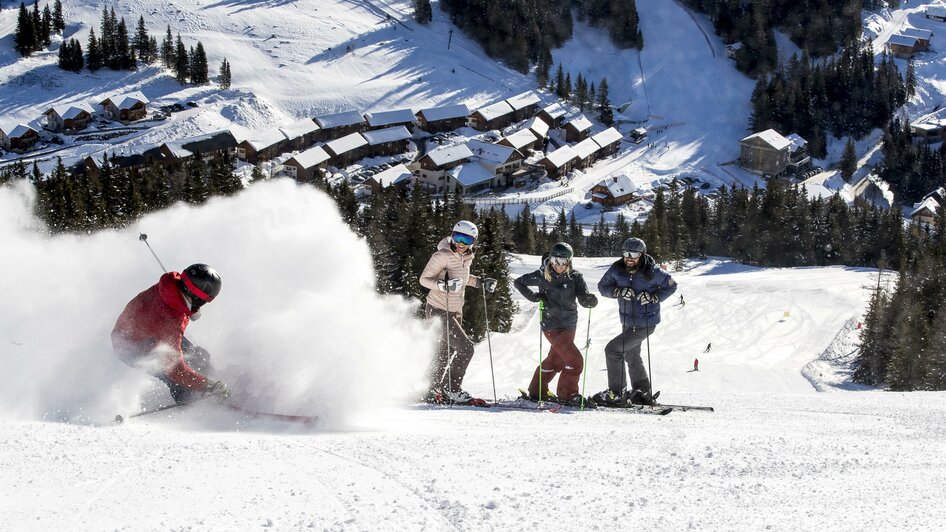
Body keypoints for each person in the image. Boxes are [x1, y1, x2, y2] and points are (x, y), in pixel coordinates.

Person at [112, 264, 231, 405]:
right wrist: (208, 385)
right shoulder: (172, 322)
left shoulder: (170, 285)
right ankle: (192, 403)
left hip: (143, 331)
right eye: (203, 301)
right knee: (181, 385)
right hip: (131, 347)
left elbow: (171, 304)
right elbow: (176, 371)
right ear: (197, 298)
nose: (203, 305)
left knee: (198, 357)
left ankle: (215, 383)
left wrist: (190, 309)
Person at [419, 221, 497, 404]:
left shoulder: (465, 258)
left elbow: (461, 278)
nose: (461, 243)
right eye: (457, 237)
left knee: (443, 351)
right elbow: (424, 279)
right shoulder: (442, 255)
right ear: (452, 236)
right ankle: (451, 388)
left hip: (454, 310)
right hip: (438, 309)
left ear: (473, 241)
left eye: (466, 238)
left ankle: (431, 389)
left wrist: (479, 282)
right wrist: (442, 285)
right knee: (466, 349)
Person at [594, 237, 677, 406]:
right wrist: (617, 292)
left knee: (613, 350)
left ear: (642, 254)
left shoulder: (651, 271)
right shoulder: (617, 269)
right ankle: (642, 392)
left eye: (633, 254)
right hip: (627, 321)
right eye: (625, 253)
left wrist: (654, 297)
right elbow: (603, 287)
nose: (629, 257)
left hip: (645, 323)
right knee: (631, 354)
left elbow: (671, 285)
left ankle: (617, 394)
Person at [514, 242, 597, 406]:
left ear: (569, 261)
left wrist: (589, 300)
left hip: (570, 324)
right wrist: (534, 297)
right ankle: (567, 395)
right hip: (551, 325)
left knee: (555, 360)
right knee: (575, 361)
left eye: (563, 261)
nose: (558, 265)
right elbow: (519, 282)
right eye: (555, 261)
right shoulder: (541, 275)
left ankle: (537, 391)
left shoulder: (575, 277)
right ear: (550, 259)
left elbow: (583, 297)